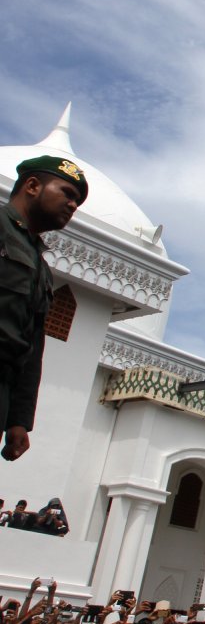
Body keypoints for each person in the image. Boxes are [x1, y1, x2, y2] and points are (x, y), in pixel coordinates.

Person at [1, 154, 88, 462]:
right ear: (33, 185)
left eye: (77, 201)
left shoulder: (41, 269)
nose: (73, 205)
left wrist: (18, 419)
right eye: (67, 193)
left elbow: (31, 346)